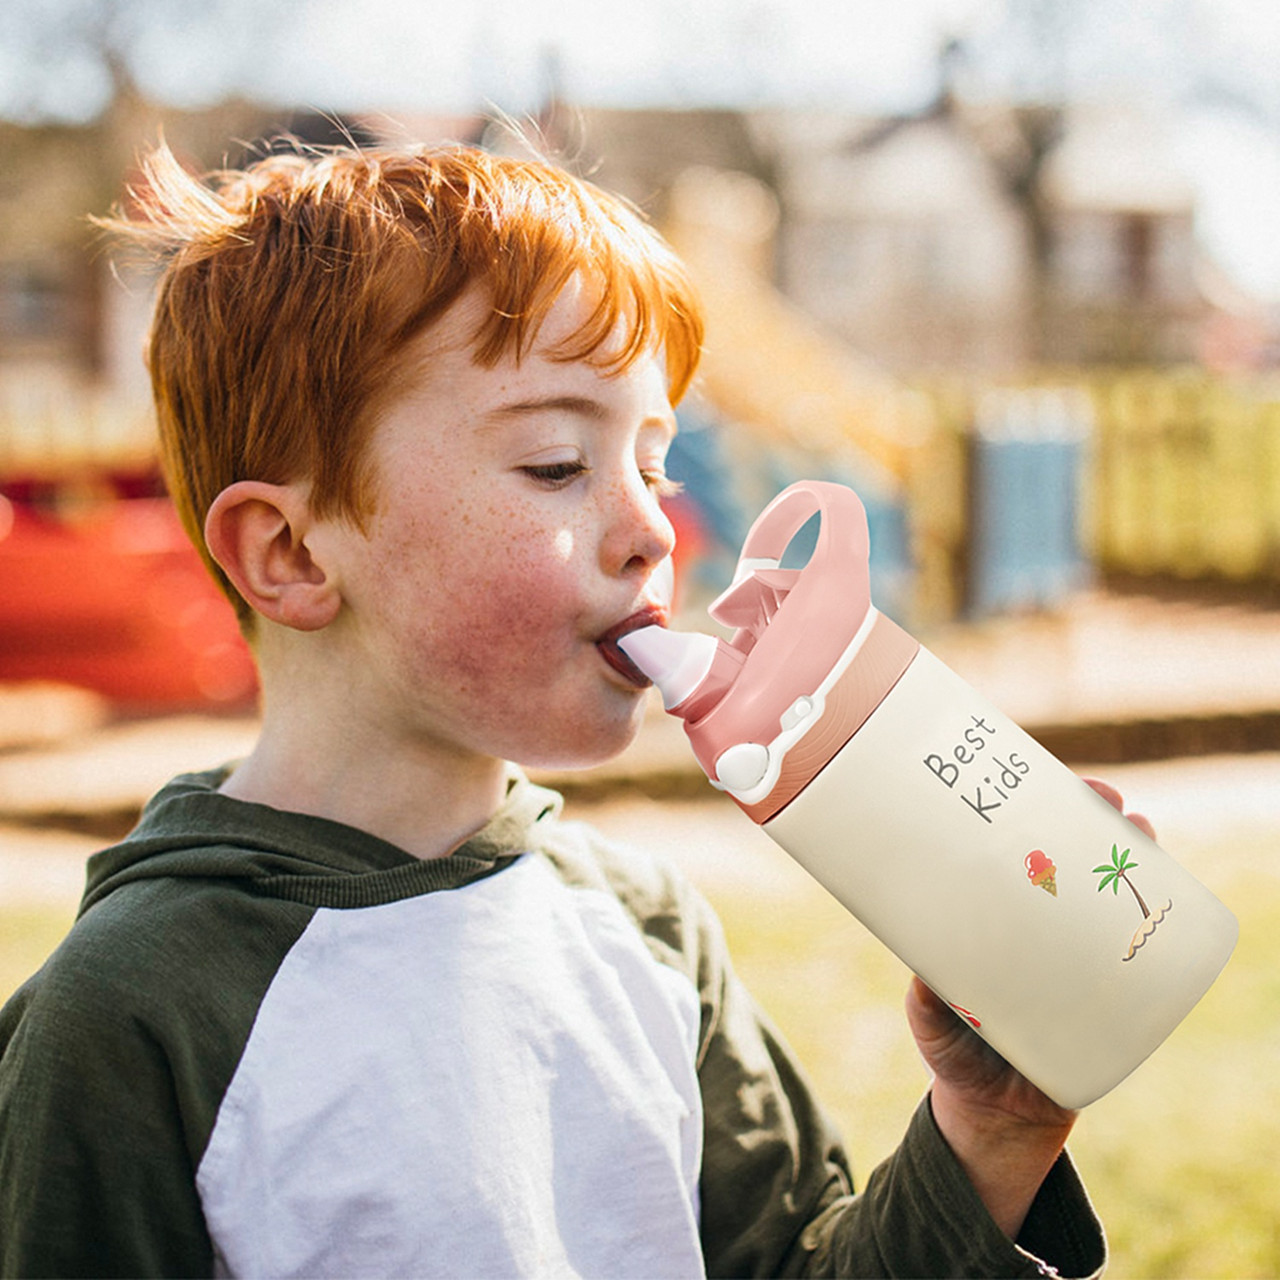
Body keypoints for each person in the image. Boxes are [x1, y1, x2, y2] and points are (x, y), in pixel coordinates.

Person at [0, 138, 1142, 1278]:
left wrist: (990, 1127)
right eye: (555, 463)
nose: (650, 527)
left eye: (655, 465)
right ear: (293, 551)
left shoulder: (645, 927)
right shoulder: (129, 1017)